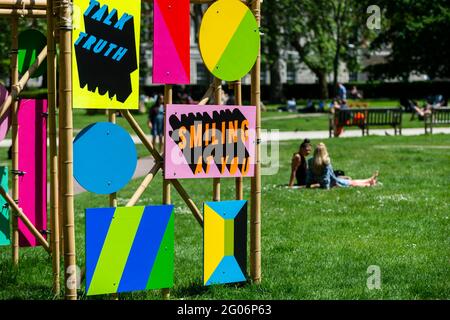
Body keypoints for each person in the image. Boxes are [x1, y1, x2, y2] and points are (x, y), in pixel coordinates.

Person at [307, 143, 378, 189]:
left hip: (326, 182)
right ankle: (369, 183)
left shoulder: (310, 161)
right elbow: (326, 177)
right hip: (333, 183)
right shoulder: (326, 161)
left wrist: (308, 184)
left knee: (351, 182)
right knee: (351, 183)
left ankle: (369, 180)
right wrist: (327, 188)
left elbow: (310, 175)